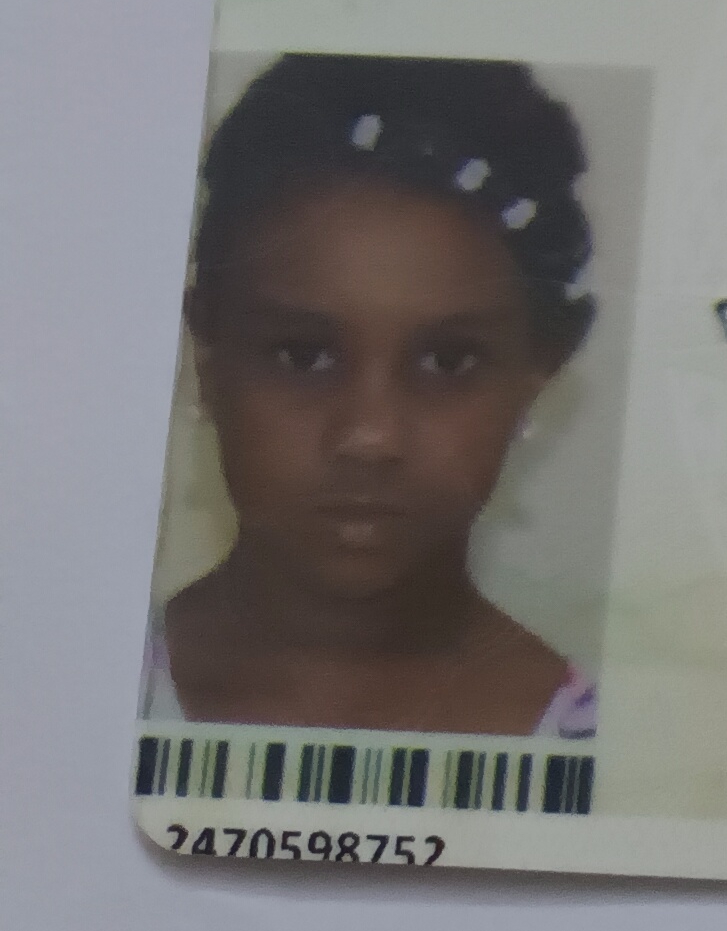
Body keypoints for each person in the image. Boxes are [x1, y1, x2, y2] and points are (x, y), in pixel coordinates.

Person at [150, 54, 602, 739]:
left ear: (538, 370)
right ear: (207, 353)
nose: (371, 436)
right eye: (303, 355)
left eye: (448, 361)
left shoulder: (607, 755)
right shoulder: (64, 694)